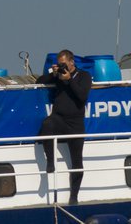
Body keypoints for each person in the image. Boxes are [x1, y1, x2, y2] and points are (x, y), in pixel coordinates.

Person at [36, 49, 92, 205]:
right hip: (59, 118)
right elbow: (38, 80)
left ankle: (74, 196)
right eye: (59, 64)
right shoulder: (59, 77)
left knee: (77, 161)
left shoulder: (83, 76)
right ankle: (50, 162)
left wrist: (69, 80)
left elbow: (82, 96)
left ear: (71, 62)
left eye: (63, 64)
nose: (62, 67)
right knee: (47, 124)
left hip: (75, 123)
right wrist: (54, 75)